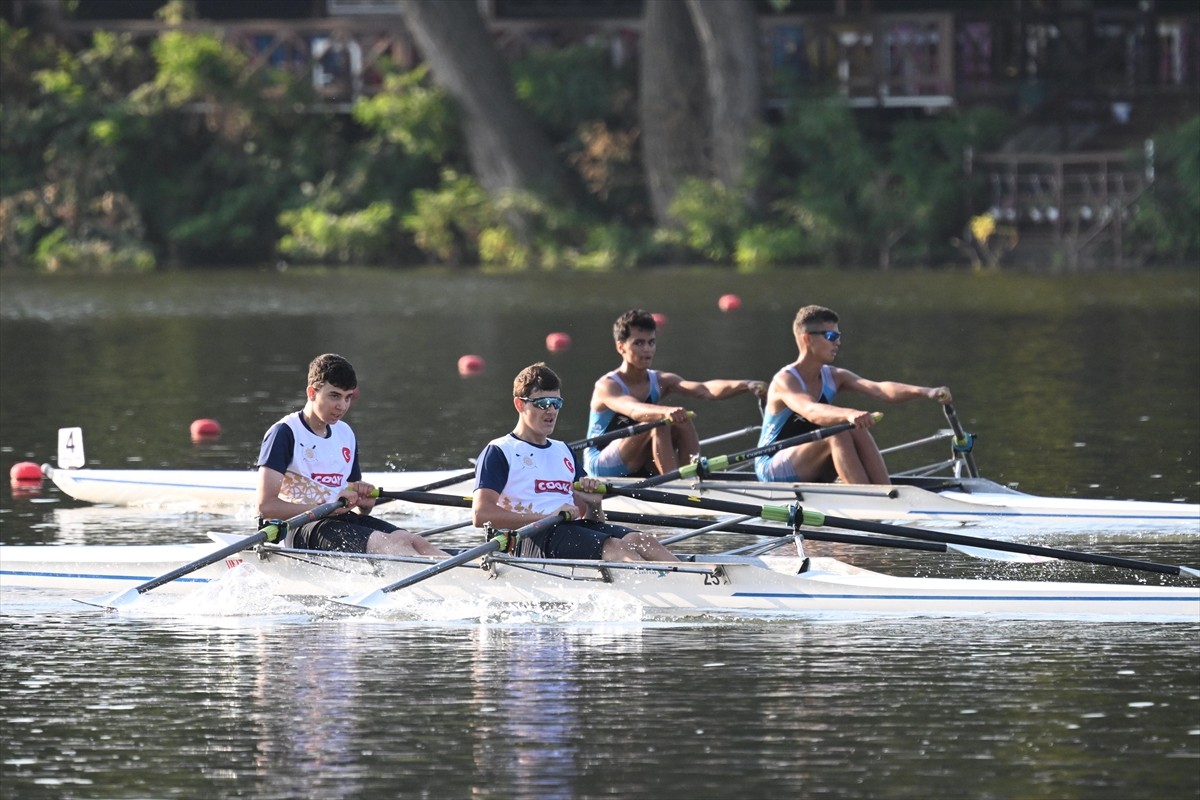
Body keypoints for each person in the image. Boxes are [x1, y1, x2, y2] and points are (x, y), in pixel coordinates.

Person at [472, 362, 678, 563]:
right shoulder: (500, 450)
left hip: (564, 532)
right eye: (542, 403)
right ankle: (660, 587)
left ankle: (694, 585)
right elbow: (481, 514)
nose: (551, 411)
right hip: (525, 539)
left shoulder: (563, 450)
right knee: (614, 547)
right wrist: (544, 517)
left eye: (557, 403)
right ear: (519, 404)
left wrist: (594, 503)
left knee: (642, 540)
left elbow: (592, 522)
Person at [255, 353, 446, 556]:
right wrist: (326, 506)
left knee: (415, 542)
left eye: (348, 397)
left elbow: (355, 500)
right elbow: (266, 506)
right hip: (299, 527)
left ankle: (471, 580)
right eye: (334, 396)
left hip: (339, 520)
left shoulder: (345, 433)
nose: (342, 406)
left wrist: (365, 505)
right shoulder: (284, 433)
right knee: (390, 546)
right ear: (312, 393)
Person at [755, 305, 952, 485]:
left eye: (838, 336)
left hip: (810, 459)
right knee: (839, 432)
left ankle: (887, 493)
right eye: (831, 336)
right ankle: (866, 501)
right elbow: (812, 411)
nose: (838, 342)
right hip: (772, 464)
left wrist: (927, 392)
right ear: (807, 338)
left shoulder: (834, 376)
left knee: (855, 428)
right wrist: (849, 414)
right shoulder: (785, 380)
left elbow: (880, 389)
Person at [584, 308, 766, 478]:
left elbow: (705, 390)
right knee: (659, 420)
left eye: (651, 342)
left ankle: (690, 479)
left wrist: (746, 385)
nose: (647, 349)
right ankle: (675, 486)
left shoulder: (661, 380)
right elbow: (634, 410)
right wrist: (664, 412)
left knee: (682, 419)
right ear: (621, 347)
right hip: (601, 462)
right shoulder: (607, 386)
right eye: (639, 343)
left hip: (636, 455)